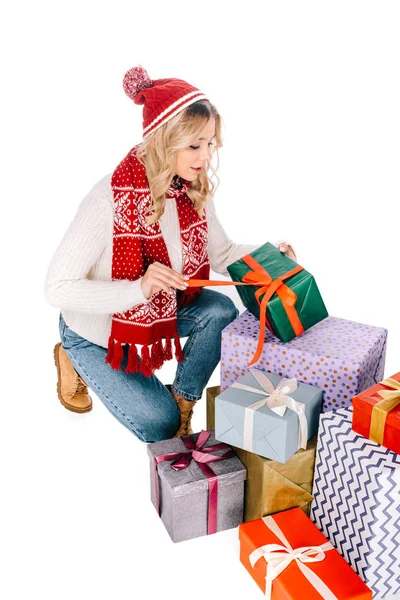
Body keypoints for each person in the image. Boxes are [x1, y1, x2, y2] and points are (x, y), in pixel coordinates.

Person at [44, 65, 296, 442]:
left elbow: (223, 253)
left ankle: (181, 405)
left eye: (210, 143)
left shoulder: (189, 190)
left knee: (220, 311)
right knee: (156, 427)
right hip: (96, 331)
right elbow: (56, 287)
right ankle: (72, 357)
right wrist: (139, 289)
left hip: (158, 311)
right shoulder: (108, 199)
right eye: (194, 145)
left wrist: (271, 258)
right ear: (163, 141)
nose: (205, 156)